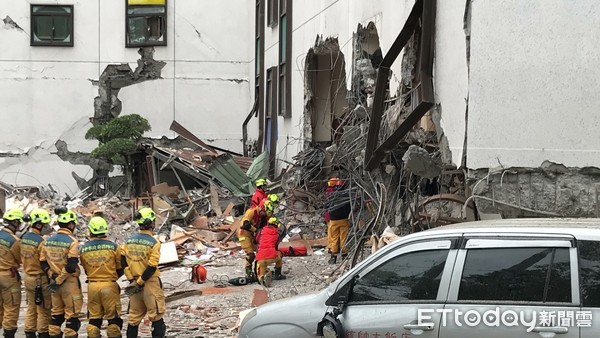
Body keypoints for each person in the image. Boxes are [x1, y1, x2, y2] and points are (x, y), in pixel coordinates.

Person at [121, 207, 166, 338]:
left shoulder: (129, 241)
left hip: (134, 285)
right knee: (156, 315)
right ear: (151, 223)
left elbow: (123, 260)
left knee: (134, 318)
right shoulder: (154, 242)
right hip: (149, 283)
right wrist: (140, 282)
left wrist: (132, 281)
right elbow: (152, 267)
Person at [40, 208, 83, 338]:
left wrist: (53, 276)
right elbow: (71, 266)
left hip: (54, 284)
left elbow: (43, 263)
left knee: (56, 315)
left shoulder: (47, 241)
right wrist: (60, 279)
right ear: (71, 224)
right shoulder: (72, 242)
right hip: (69, 284)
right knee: (72, 317)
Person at [80, 216, 124, 338]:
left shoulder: (84, 248)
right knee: (114, 319)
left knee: (94, 319)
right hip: (109, 286)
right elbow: (120, 268)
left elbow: (85, 268)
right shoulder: (114, 247)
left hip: (92, 286)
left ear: (90, 230)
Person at [20, 208, 52, 338]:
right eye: (45, 225)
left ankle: (29, 332)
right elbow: (45, 261)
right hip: (40, 279)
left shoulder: (23, 238)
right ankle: (43, 333)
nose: (47, 227)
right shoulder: (41, 242)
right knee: (44, 309)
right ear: (39, 225)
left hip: (27, 277)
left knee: (32, 307)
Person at [238, 200, 276, 281]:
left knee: (260, 253)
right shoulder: (251, 212)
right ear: (261, 208)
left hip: (253, 235)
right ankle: (248, 274)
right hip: (244, 233)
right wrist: (255, 230)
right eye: (265, 212)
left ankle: (258, 271)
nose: (265, 214)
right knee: (251, 255)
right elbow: (245, 224)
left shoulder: (262, 216)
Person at [0, 209, 23, 338]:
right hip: (8, 276)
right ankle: (9, 334)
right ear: (14, 222)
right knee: (11, 307)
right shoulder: (14, 241)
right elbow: (20, 259)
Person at [325, 177, 351, 264]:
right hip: (344, 219)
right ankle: (344, 255)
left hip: (333, 220)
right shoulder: (347, 195)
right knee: (344, 237)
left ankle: (333, 257)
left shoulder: (331, 195)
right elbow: (350, 207)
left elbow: (326, 207)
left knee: (333, 238)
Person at [255, 216, 286, 286]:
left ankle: (261, 278)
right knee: (279, 256)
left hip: (260, 257)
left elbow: (256, 240)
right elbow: (276, 245)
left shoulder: (261, 231)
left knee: (262, 265)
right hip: (271, 256)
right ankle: (277, 275)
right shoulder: (276, 233)